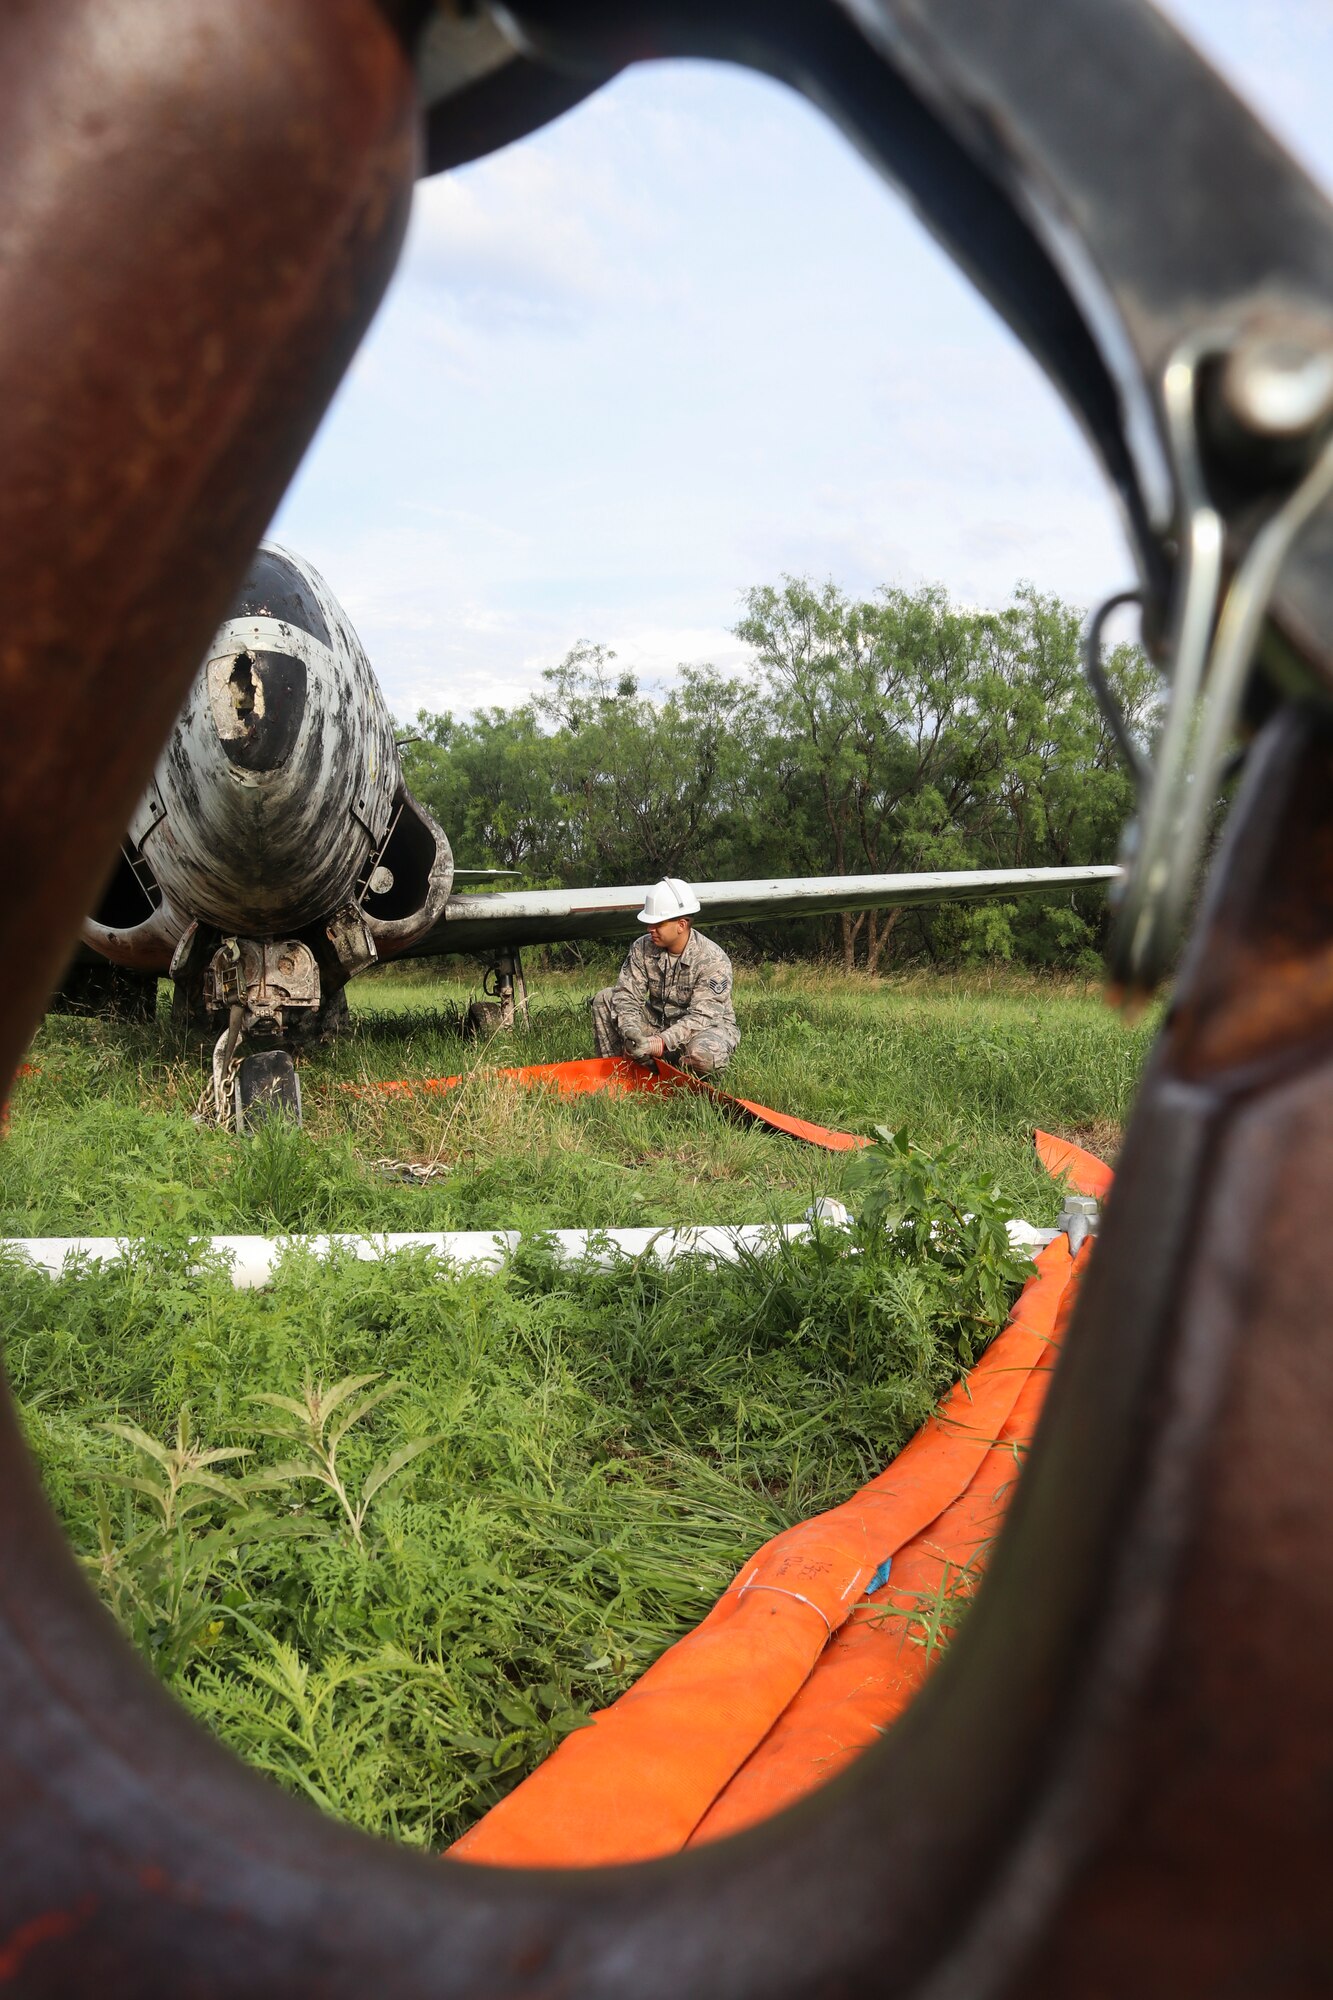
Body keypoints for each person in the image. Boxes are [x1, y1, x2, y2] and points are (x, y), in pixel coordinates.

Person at [591, 877, 739, 1075]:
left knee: (704, 1057)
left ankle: (680, 1075)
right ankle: (618, 1072)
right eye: (649, 923)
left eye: (658, 923)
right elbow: (626, 995)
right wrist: (631, 1031)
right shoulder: (641, 948)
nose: (650, 929)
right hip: (658, 1024)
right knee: (605, 999)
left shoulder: (712, 959)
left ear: (681, 924)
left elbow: (702, 1017)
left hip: (703, 1030)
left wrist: (658, 1043)